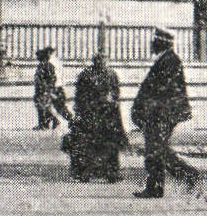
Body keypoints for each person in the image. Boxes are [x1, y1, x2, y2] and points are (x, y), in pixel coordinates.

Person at [131, 28, 199, 198]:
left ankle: (186, 175)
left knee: (156, 148)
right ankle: (156, 186)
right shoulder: (166, 60)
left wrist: (148, 110)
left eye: (155, 41)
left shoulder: (170, 61)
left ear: (162, 43)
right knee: (156, 149)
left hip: (162, 114)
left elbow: (162, 91)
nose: (152, 44)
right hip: (160, 113)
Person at [63, 51, 127, 181]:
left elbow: (115, 94)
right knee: (91, 144)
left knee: (106, 143)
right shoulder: (89, 75)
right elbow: (80, 96)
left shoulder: (109, 74)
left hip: (103, 114)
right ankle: (89, 172)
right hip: (94, 113)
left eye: (103, 61)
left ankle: (108, 172)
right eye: (99, 61)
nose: (102, 63)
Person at [33, 47, 70, 131]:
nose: (37, 58)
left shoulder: (48, 66)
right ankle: (45, 123)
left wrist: (48, 89)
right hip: (40, 89)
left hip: (45, 89)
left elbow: (52, 79)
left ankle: (50, 122)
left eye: (39, 57)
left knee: (43, 106)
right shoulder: (42, 65)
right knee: (41, 106)